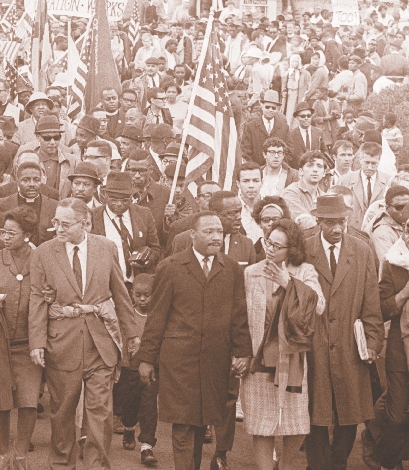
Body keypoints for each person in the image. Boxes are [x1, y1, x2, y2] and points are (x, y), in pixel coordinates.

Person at [29, 197, 140, 469]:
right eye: (55, 221)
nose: (58, 228)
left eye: (65, 223)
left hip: (100, 343)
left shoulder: (107, 248)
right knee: (62, 411)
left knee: (100, 412)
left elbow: (120, 293)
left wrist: (132, 333)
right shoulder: (43, 252)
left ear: (85, 223)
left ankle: (97, 465)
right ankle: (61, 464)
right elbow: (37, 299)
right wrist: (37, 342)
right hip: (61, 343)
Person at [138, 210, 253, 470]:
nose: (216, 237)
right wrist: (146, 359)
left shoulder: (231, 268)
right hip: (179, 360)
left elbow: (238, 314)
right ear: (193, 235)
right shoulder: (171, 266)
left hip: (215, 359)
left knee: (202, 422)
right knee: (183, 423)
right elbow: (156, 318)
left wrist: (244, 352)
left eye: (219, 233)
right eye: (209, 232)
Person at [304, 194, 384, 470]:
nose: (337, 229)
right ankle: (319, 465)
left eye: (341, 222)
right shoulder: (303, 250)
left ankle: (337, 464)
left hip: (351, 345)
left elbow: (371, 301)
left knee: (349, 414)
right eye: (330, 223)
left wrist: (373, 341)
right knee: (315, 413)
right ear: (319, 222)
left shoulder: (361, 251)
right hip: (313, 345)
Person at [242, 218, 325, 470]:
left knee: (295, 423)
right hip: (259, 355)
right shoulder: (251, 272)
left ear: (292, 250)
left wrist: (287, 282)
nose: (270, 249)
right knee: (261, 423)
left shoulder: (304, 271)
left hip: (291, 357)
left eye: (278, 246)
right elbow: (240, 316)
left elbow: (319, 306)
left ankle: (287, 466)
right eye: (268, 242)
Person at [0, 206, 43, 469]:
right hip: (2, 344)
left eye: (11, 233)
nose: (5, 236)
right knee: (2, 399)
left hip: (29, 343)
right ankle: (3, 452)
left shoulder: (40, 260)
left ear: (26, 235)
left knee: (29, 400)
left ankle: (20, 454)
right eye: (3, 231)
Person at [91, 171, 161, 286]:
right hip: (106, 286)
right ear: (105, 196)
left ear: (131, 197)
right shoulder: (93, 217)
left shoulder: (144, 214)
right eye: (113, 199)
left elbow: (155, 248)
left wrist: (147, 261)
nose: (119, 204)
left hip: (136, 286)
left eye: (124, 200)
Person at [120, 273, 159, 465]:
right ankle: (128, 428)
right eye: (138, 295)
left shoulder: (157, 316)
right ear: (132, 294)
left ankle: (147, 446)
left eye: (147, 295)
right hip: (130, 368)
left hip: (151, 368)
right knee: (129, 406)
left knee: (149, 406)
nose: (142, 299)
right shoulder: (128, 316)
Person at [0, 162, 57, 246]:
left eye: (36, 180)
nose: (32, 184)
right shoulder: (2, 205)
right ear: (17, 180)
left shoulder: (54, 206)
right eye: (26, 180)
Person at [338, 142, 390, 230]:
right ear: (360, 159)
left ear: (379, 160)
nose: (369, 167)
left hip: (377, 232)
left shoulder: (388, 181)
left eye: (374, 163)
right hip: (352, 231)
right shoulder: (344, 181)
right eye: (366, 162)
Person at [125, 149, 171, 246]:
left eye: (142, 171)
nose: (137, 175)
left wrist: (170, 220)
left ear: (151, 169)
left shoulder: (165, 194)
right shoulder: (120, 192)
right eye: (133, 170)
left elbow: (170, 235)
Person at [165, 180, 222, 256]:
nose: (212, 199)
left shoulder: (229, 225)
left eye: (217, 196)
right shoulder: (179, 227)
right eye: (207, 195)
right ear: (197, 199)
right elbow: (169, 261)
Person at [241, 90, 293, 167]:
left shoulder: (284, 127)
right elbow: (245, 151)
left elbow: (289, 151)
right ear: (262, 105)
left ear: (277, 109)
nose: (270, 110)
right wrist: (255, 170)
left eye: (273, 108)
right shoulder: (251, 127)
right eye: (267, 107)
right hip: (257, 172)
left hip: (277, 171)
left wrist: (278, 167)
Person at [369, 185, 409, 268]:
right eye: (399, 207)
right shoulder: (382, 232)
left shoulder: (404, 222)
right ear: (387, 208)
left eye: (407, 206)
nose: (405, 210)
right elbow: (388, 266)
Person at [282, 150, 326, 223]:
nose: (315, 170)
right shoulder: (290, 192)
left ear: (324, 173)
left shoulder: (326, 197)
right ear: (301, 171)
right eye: (310, 165)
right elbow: (304, 223)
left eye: (319, 166)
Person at [251, 196, 292, 262]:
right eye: (266, 220)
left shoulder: (290, 249)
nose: (271, 223)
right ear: (259, 223)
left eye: (276, 219)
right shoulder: (252, 251)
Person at [289, 102, 328, 169]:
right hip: (298, 171)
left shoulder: (319, 132)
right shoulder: (291, 135)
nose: (306, 118)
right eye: (303, 116)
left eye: (309, 116)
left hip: (316, 171)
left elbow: (325, 153)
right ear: (297, 117)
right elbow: (289, 157)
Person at [236, 162, 264, 244]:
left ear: (262, 182)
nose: (251, 185)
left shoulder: (269, 208)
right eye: (245, 181)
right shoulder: (231, 209)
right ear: (238, 183)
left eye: (256, 181)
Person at [281, 53, 311, 129]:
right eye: (293, 61)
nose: (294, 63)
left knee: (298, 113)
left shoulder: (305, 73)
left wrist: (305, 97)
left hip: (300, 97)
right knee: (289, 114)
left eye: (296, 61)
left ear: (299, 62)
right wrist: (284, 92)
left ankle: (297, 129)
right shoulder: (287, 73)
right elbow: (283, 86)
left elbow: (309, 87)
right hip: (290, 98)